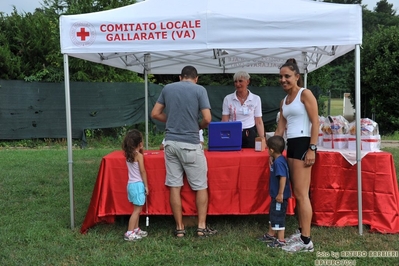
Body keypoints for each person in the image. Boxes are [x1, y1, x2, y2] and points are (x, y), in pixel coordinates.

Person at [151, 65, 217, 238]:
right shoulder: (199, 90)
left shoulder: (168, 88)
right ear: (196, 78)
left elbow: (155, 113)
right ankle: (201, 227)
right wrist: (197, 126)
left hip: (170, 143)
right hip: (190, 144)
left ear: (180, 77)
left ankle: (179, 228)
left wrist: (171, 120)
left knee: (174, 186)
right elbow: (208, 118)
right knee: (201, 186)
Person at [274, 58, 319, 253]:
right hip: (291, 145)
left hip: (303, 144)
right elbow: (280, 129)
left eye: (287, 76)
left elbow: (315, 123)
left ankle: (307, 242)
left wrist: (312, 149)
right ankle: (302, 232)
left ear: (297, 77)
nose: (283, 80)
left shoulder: (305, 94)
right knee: (298, 194)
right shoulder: (283, 101)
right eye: (281, 77)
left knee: (301, 194)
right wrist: (273, 151)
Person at [258, 135, 291, 248]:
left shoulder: (279, 163)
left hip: (279, 197)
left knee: (278, 216)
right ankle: (271, 234)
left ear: (271, 150)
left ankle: (281, 240)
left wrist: (280, 193)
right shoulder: (278, 160)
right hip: (275, 195)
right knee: (273, 214)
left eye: (268, 149)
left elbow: (283, 177)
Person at [222, 71, 265, 148]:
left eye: (240, 81)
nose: (237, 84)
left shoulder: (256, 98)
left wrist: (262, 138)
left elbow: (258, 121)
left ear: (247, 81)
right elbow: (225, 121)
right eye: (235, 81)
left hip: (250, 133)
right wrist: (223, 138)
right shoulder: (228, 99)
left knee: (250, 156)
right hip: (233, 132)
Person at [121, 129, 149, 241]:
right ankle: (129, 232)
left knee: (136, 208)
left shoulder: (128, 155)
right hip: (138, 185)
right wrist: (146, 185)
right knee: (137, 210)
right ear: (140, 144)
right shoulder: (139, 156)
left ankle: (136, 229)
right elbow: (143, 171)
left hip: (131, 185)